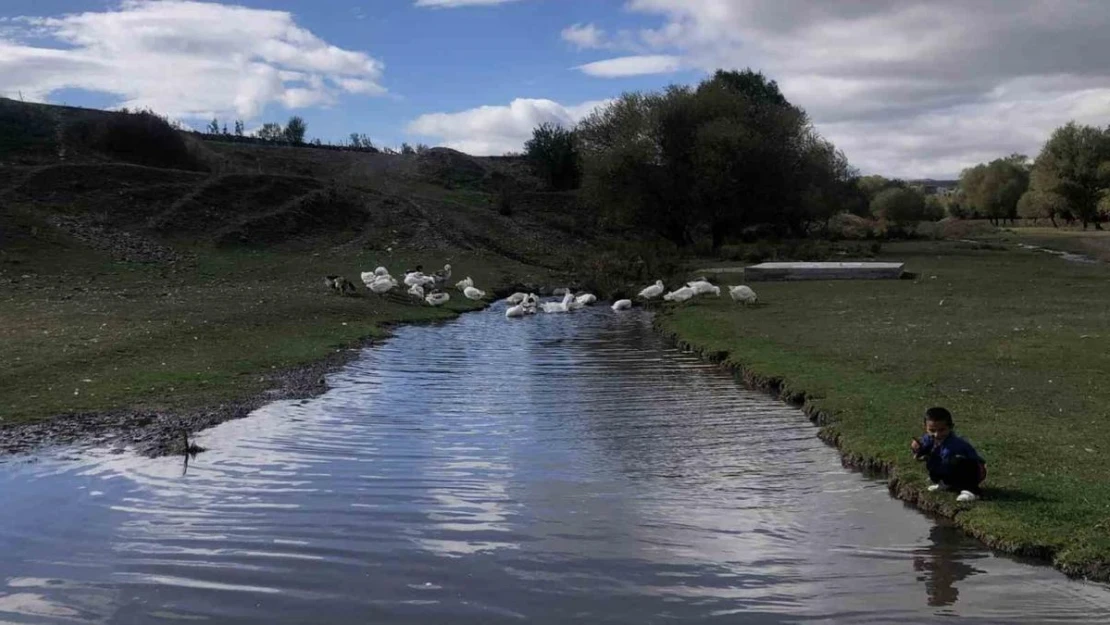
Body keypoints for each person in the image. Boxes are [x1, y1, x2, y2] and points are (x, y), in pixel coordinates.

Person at [910, 407, 986, 502]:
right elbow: (921, 450)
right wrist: (916, 448)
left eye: (942, 430)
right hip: (944, 469)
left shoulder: (958, 444)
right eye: (932, 430)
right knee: (933, 460)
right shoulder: (928, 439)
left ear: (951, 427)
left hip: (969, 472)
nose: (937, 434)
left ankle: (972, 491)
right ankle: (946, 483)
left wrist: (979, 470)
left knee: (961, 463)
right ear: (925, 428)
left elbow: (975, 460)